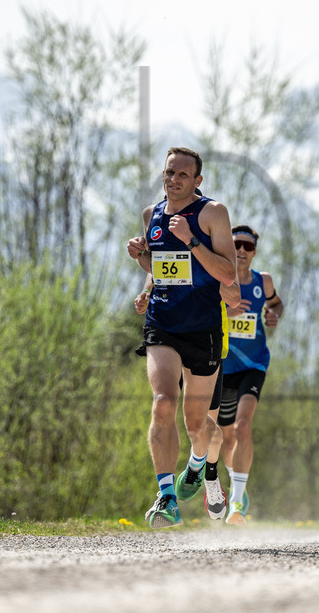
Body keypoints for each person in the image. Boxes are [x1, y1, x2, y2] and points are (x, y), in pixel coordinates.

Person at [126, 147, 236, 529]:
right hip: (162, 323)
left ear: (197, 181)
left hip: (203, 329)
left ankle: (198, 465)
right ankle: (167, 498)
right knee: (161, 403)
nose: (173, 180)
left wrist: (191, 240)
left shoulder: (212, 214)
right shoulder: (150, 215)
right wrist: (143, 265)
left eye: (183, 175)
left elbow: (226, 273)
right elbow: (160, 268)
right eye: (169, 172)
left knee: (196, 424)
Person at [210, 225, 284, 526]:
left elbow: (276, 303)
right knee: (226, 438)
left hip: (254, 365)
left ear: (254, 252)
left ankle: (237, 503)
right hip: (223, 365)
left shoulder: (262, 282)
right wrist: (224, 314)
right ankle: (237, 482)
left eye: (247, 246)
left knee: (242, 426)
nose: (241, 250)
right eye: (236, 244)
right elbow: (202, 315)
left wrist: (274, 315)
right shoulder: (217, 279)